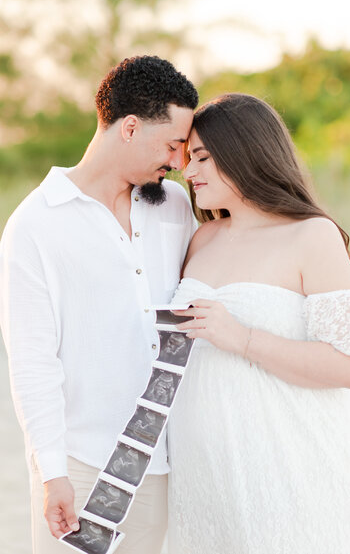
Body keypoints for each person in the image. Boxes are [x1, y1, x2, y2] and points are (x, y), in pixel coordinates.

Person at [168, 93, 350, 554]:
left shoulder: (311, 235)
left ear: (245, 152)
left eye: (203, 158)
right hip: (209, 474)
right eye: (189, 159)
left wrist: (243, 338)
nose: (189, 172)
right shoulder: (201, 238)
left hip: (293, 463)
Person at [0, 55, 198, 554]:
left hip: (161, 462)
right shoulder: (35, 226)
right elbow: (32, 364)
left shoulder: (175, 206)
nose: (178, 162)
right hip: (83, 467)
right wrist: (52, 474)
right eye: (173, 144)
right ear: (130, 128)